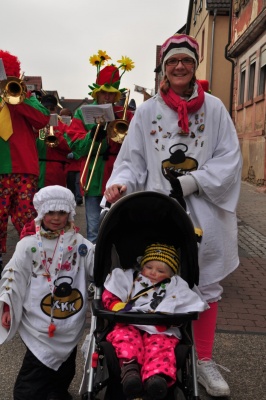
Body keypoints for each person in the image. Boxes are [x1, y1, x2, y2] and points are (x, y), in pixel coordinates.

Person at [103, 34, 243, 397]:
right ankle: (157, 352)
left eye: (186, 61)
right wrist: (119, 184)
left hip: (205, 210)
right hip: (158, 212)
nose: (179, 67)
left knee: (206, 283)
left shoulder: (215, 109)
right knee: (156, 279)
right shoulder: (148, 110)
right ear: (164, 68)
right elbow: (131, 160)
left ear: (195, 65)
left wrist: (192, 182)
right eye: (172, 62)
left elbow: (229, 158)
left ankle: (204, 359)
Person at [0, 185, 94, 400]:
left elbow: (97, 264)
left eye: (61, 213)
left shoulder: (80, 244)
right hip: (38, 322)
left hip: (69, 318)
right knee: (33, 374)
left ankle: (56, 392)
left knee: (65, 367)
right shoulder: (28, 245)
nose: (56, 218)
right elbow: (13, 277)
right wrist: (7, 306)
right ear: (41, 213)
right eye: (50, 212)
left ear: (69, 213)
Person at [102, 242, 206, 399]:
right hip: (129, 323)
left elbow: (185, 304)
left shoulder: (175, 286)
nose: (153, 273)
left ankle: (156, 378)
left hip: (160, 329)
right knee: (125, 338)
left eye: (160, 270)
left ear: (171, 274)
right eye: (149, 267)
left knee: (161, 346)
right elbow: (111, 292)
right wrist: (116, 305)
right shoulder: (129, 278)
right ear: (142, 264)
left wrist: (170, 319)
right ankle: (130, 371)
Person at [64, 50, 135, 244]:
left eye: (111, 94)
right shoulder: (82, 113)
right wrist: (94, 136)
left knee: (121, 229)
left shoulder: (126, 114)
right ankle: (95, 271)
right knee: (94, 231)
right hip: (94, 178)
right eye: (103, 92)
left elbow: (137, 146)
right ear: (96, 92)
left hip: (118, 177)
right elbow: (76, 147)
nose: (107, 98)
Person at [0, 50, 50, 275]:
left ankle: (33, 261)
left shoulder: (25, 96)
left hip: (23, 170)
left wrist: (16, 99)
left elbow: (42, 119)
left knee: (26, 220)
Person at [36, 95, 72, 189]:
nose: (48, 111)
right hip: (38, 169)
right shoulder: (36, 124)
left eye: (51, 108)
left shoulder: (63, 126)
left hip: (56, 171)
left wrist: (56, 135)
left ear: (56, 109)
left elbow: (69, 147)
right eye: (45, 108)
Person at [60, 108, 83, 205]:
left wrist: (75, 154)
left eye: (65, 116)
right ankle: (72, 199)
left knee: (78, 182)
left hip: (78, 162)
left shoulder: (75, 124)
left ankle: (78, 198)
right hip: (69, 164)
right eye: (61, 116)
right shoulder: (60, 126)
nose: (63, 118)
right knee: (70, 183)